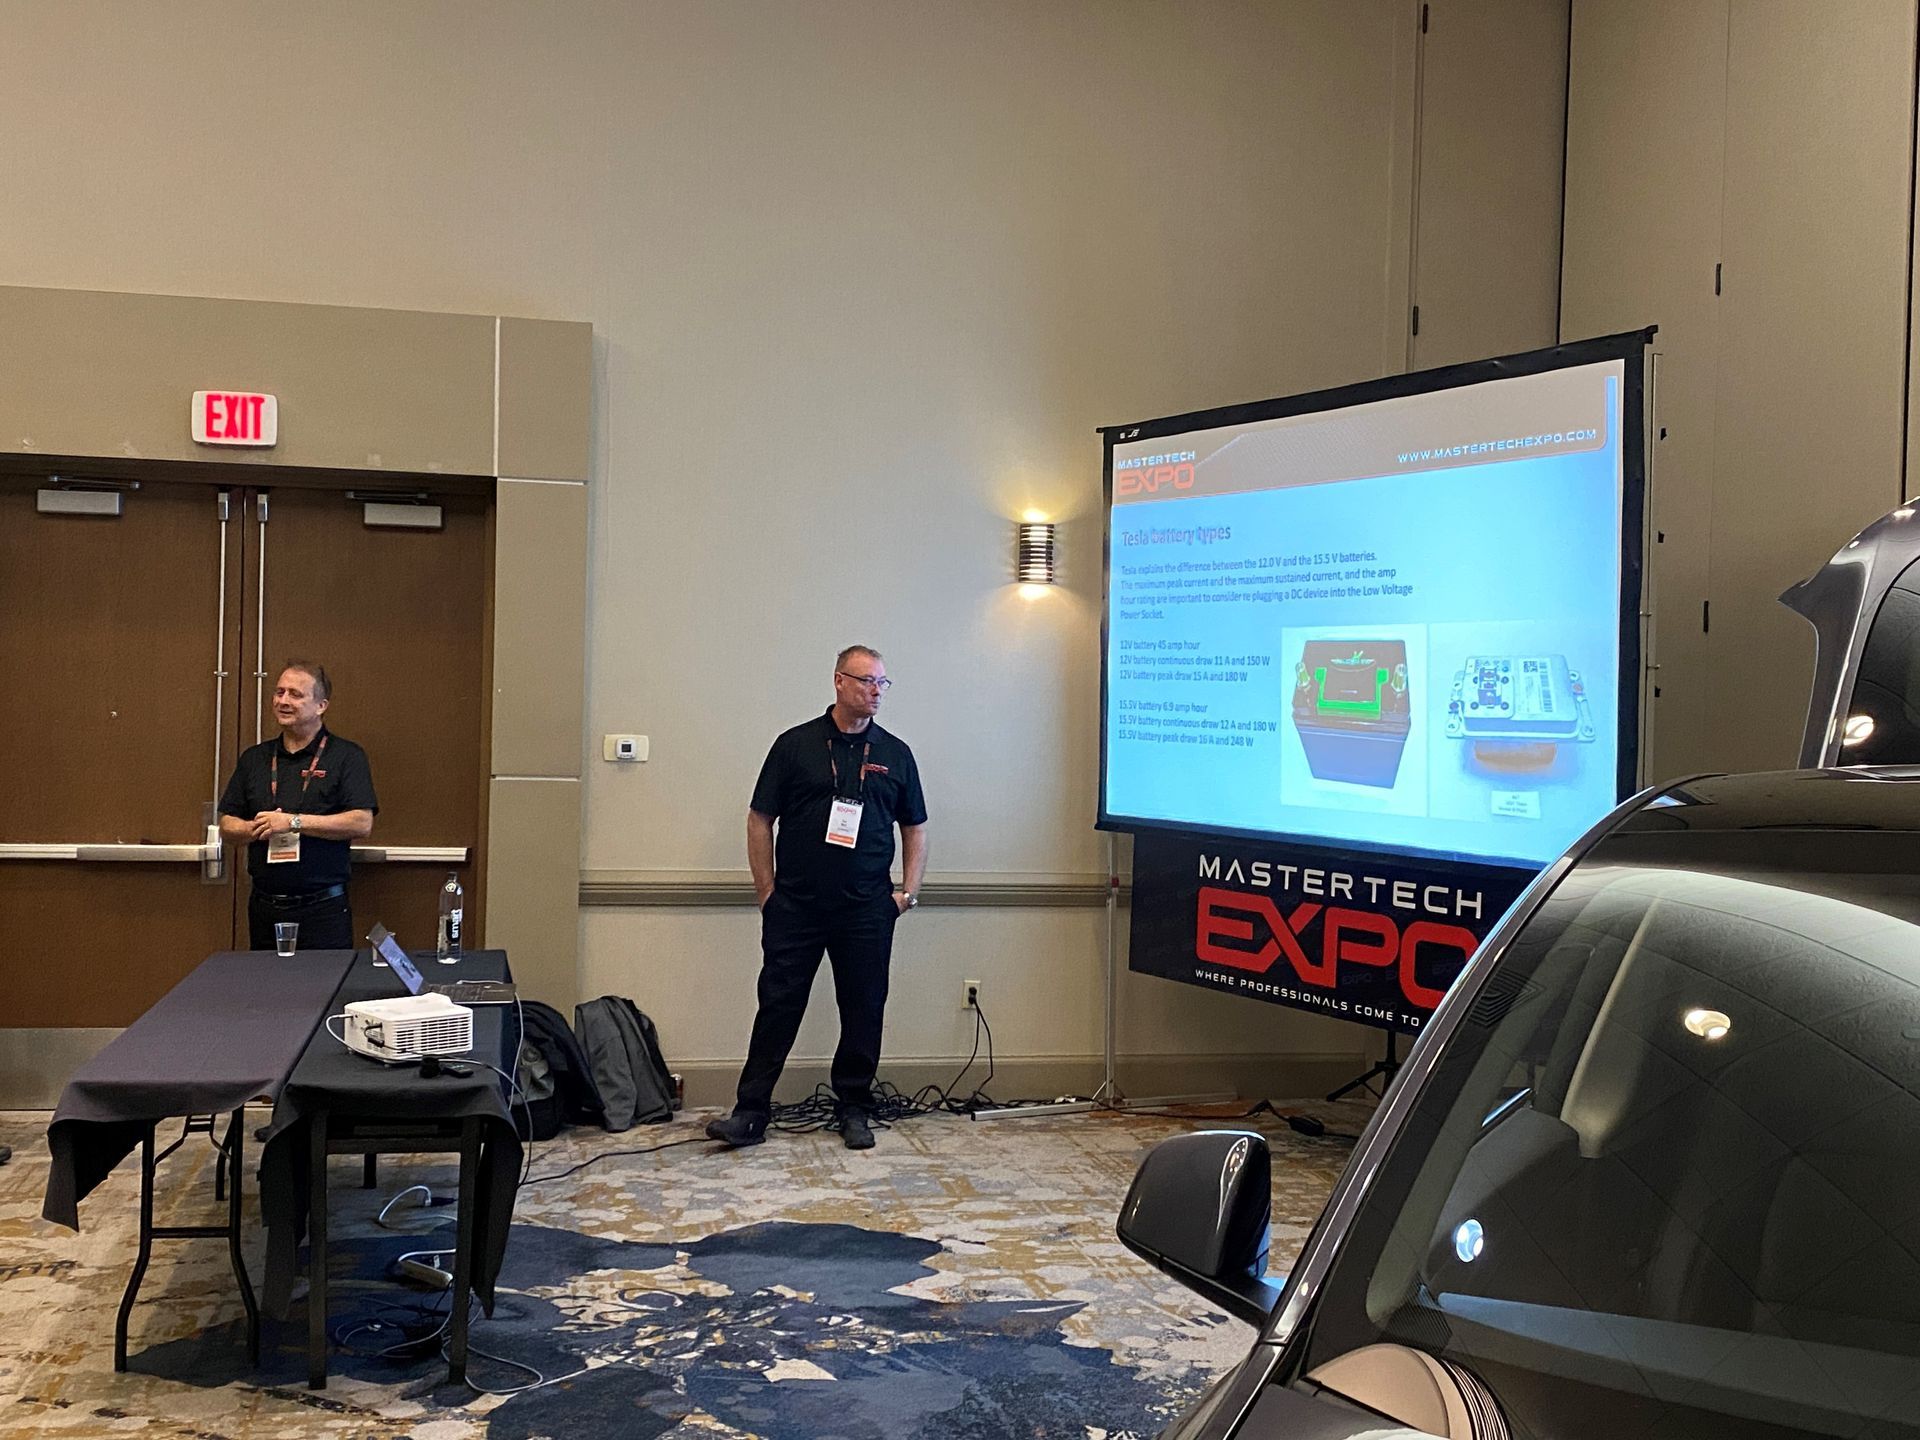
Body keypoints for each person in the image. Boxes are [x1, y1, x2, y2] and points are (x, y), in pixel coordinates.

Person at [707, 645, 929, 1151]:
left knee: (863, 1008)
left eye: (883, 684)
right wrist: (767, 893)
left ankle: (854, 1108)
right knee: (778, 1006)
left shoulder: (894, 754)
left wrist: (907, 894)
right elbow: (759, 819)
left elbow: (915, 825)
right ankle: (750, 1112)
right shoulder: (795, 745)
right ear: (838, 681)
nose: (876, 691)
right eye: (867, 681)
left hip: (868, 909)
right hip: (797, 907)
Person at [218, 661, 378, 952]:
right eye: (279, 692)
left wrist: (293, 822)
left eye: (295, 694)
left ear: (320, 705)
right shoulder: (254, 758)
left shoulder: (346, 756)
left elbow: (361, 822)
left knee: (324, 991)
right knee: (268, 993)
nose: (283, 701)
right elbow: (227, 824)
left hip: (323, 907)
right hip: (265, 906)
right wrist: (256, 828)